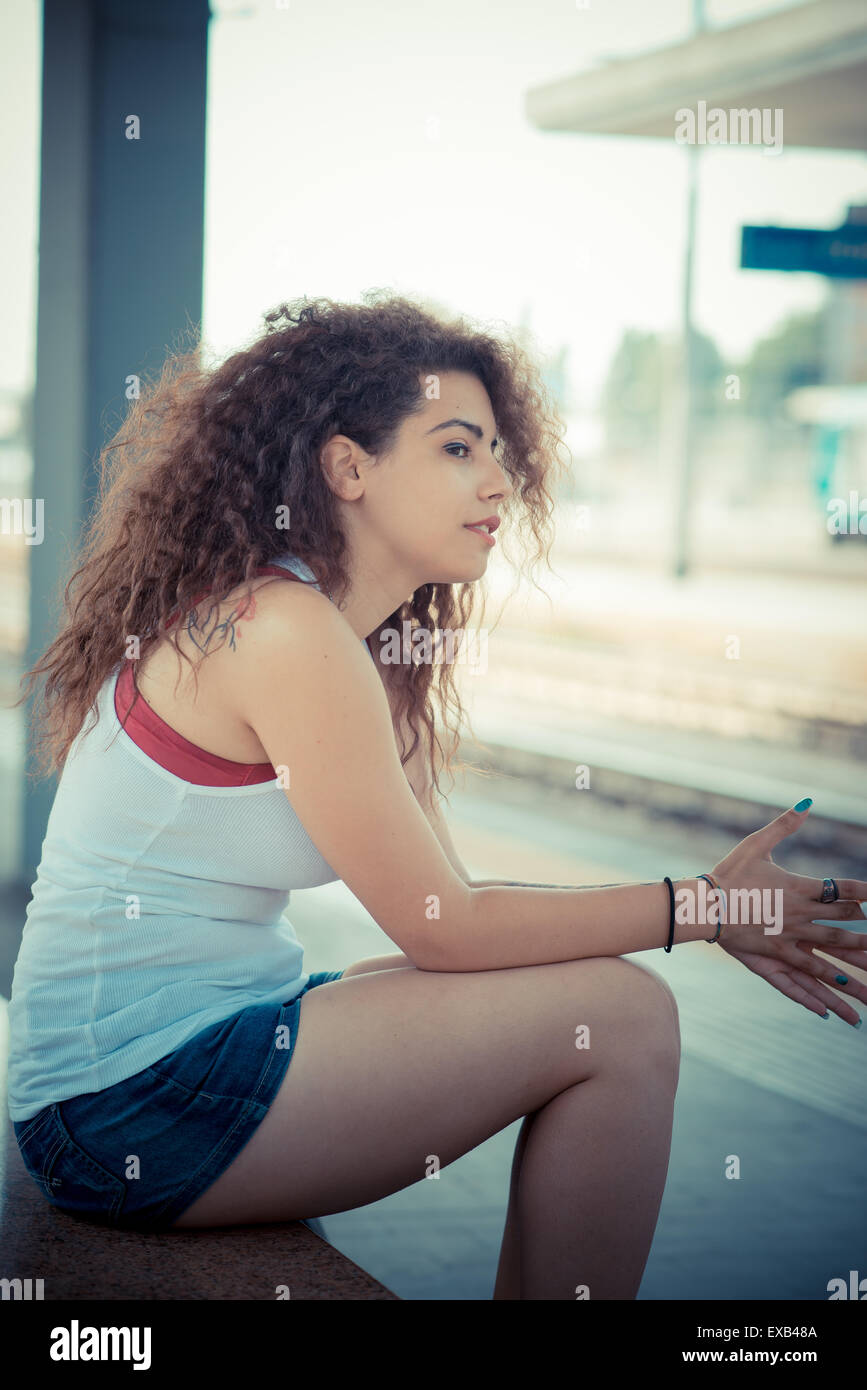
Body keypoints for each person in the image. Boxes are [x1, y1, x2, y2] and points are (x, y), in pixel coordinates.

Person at [7, 292, 867, 1301]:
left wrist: (696, 906)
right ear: (348, 466)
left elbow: (454, 906)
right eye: (459, 449)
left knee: (596, 999)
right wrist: (702, 908)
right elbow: (448, 929)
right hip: (123, 1103)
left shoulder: (366, 650)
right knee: (626, 1019)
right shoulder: (281, 630)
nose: (501, 480)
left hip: (200, 1046)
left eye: (502, 452)